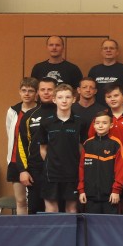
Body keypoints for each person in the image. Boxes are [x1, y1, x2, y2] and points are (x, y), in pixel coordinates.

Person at [35, 84, 84, 213]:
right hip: (51, 174)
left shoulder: (80, 122)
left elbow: (81, 148)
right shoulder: (46, 122)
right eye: (60, 97)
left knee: (71, 209)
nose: (64, 100)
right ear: (54, 99)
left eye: (67, 97)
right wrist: (51, 163)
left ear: (74, 99)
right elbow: (43, 148)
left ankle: (70, 228)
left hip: (72, 173)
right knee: (51, 209)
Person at [16, 77, 57, 214]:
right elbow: (21, 144)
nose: (46, 92)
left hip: (60, 169)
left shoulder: (64, 112)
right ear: (38, 92)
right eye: (42, 89)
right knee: (34, 209)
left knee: (59, 209)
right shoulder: (29, 115)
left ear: (56, 91)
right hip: (36, 170)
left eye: (50, 89)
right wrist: (23, 170)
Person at [78, 111, 123, 214]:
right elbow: (81, 168)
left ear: (111, 125)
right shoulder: (87, 144)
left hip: (110, 196)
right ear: (94, 125)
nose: (100, 125)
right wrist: (81, 190)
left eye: (104, 123)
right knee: (91, 223)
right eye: (97, 123)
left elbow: (121, 169)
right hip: (89, 196)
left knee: (110, 223)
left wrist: (116, 190)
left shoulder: (115, 144)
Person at [5, 77, 39, 215]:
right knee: (20, 201)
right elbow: (10, 133)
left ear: (36, 93)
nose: (27, 94)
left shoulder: (40, 111)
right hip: (15, 160)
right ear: (19, 91)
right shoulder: (13, 111)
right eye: (24, 90)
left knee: (36, 201)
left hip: (35, 161)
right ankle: (22, 228)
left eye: (30, 91)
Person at [88, 39, 123, 104]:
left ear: (117, 52)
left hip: (119, 108)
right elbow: (89, 90)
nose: (108, 50)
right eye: (105, 48)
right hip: (97, 108)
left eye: (111, 48)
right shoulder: (94, 70)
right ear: (101, 52)